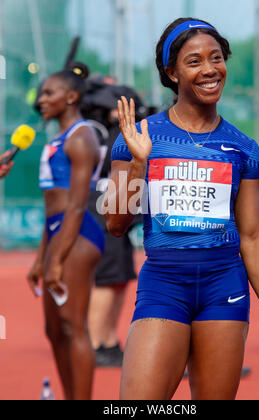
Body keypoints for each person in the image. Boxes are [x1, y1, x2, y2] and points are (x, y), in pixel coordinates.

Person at [104, 18, 259, 400]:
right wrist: (139, 165)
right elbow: (116, 224)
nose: (209, 69)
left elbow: (253, 235)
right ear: (171, 72)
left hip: (225, 287)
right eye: (194, 61)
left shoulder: (243, 147)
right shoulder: (136, 138)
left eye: (216, 58)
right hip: (164, 284)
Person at [27, 64, 105, 400]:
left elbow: (75, 206)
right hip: (57, 233)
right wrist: (41, 257)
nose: (40, 100)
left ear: (71, 96)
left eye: (48, 93)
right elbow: (52, 211)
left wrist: (56, 258)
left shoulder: (82, 136)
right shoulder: (58, 138)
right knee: (54, 330)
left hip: (78, 234)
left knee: (73, 326)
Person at [87, 107, 137, 367]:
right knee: (106, 279)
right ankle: (94, 344)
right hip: (100, 215)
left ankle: (108, 342)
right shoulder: (93, 132)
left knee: (119, 277)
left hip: (120, 218)